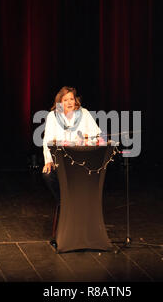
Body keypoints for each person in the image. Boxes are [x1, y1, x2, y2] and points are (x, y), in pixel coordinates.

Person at [42, 86, 102, 248]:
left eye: (71, 99)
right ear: (59, 102)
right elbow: (47, 140)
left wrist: (86, 141)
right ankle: (65, 203)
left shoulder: (85, 114)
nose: (69, 102)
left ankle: (71, 207)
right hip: (61, 162)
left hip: (81, 163)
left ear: (76, 101)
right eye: (65, 99)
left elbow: (97, 136)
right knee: (48, 175)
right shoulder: (53, 116)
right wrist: (48, 160)